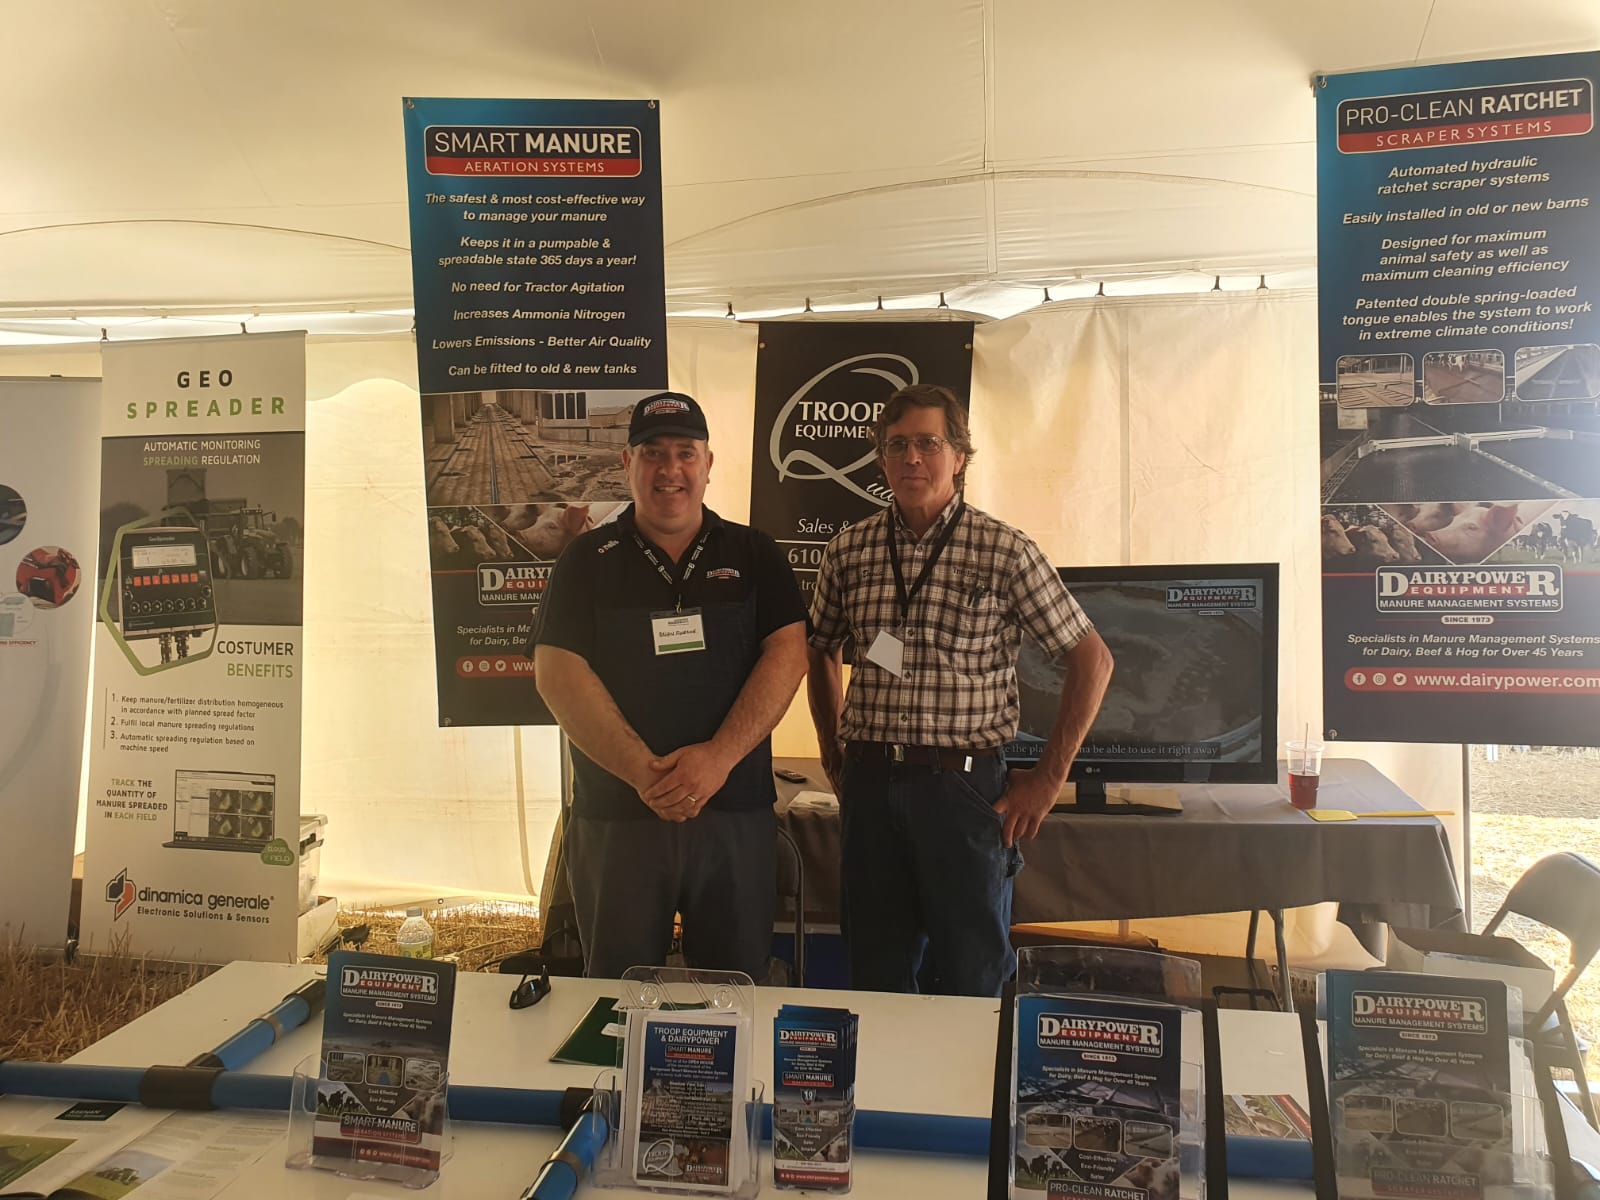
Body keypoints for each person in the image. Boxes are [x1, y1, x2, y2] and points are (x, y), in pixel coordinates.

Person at [806, 383, 1114, 997]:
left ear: (960, 456)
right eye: (897, 446)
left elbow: (1093, 659)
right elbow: (821, 649)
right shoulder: (849, 550)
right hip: (870, 786)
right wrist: (832, 750)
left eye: (928, 443)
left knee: (971, 974)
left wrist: (1048, 780)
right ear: (881, 460)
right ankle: (887, 1090)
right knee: (874, 973)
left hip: (964, 793)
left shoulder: (1004, 551)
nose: (912, 459)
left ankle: (967, 1095)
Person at [532, 390, 809, 980]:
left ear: (709, 464)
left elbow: (787, 655)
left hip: (732, 813)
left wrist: (719, 758)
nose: (670, 469)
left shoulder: (756, 554)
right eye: (653, 453)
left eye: (686, 453)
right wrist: (641, 772)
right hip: (619, 818)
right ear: (627, 465)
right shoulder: (586, 560)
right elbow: (557, 671)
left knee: (735, 992)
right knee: (614, 995)